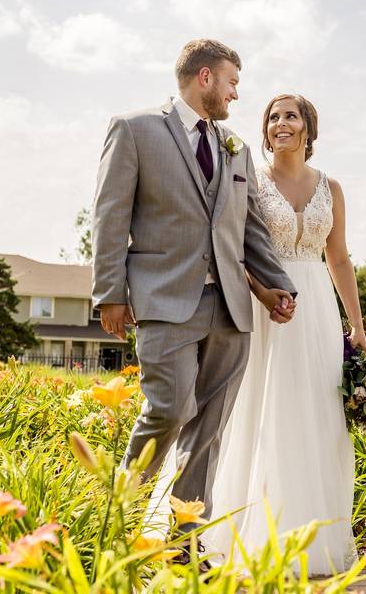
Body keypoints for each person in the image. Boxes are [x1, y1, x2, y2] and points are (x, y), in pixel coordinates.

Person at [145, 94, 366, 575]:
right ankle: (226, 531)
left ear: (309, 127)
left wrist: (356, 322)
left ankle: (307, 533)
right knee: (247, 413)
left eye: (291, 116)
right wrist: (264, 291)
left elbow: (340, 258)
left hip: (318, 316)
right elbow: (232, 248)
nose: (280, 123)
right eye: (273, 117)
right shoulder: (247, 177)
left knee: (314, 416)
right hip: (260, 305)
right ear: (265, 131)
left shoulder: (332, 187)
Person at [91, 39, 297, 535]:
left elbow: (249, 228)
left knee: (209, 428)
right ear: (205, 77)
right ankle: (117, 523)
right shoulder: (135, 129)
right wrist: (110, 293)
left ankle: (185, 543)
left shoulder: (237, 148)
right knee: (169, 408)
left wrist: (276, 286)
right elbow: (109, 215)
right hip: (164, 299)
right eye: (232, 83)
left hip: (231, 307)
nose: (236, 95)